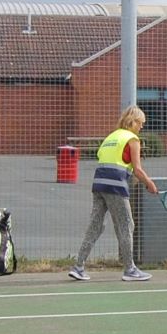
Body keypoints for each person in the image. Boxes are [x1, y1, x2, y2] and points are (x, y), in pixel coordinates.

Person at [68, 106, 158, 283]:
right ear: (134, 121)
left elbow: (112, 161)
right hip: (115, 187)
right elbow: (137, 169)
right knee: (126, 225)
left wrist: (131, 176)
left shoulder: (111, 137)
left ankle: (78, 266)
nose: (142, 127)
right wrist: (150, 184)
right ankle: (130, 269)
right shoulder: (132, 139)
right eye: (141, 123)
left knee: (96, 226)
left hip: (99, 184)